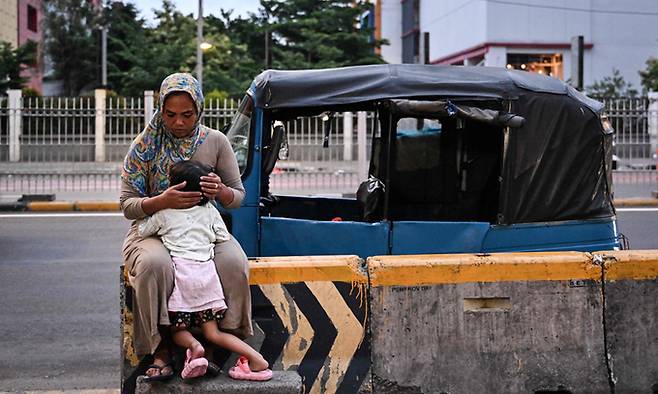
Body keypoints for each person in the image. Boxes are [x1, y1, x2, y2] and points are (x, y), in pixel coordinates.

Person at [121, 73, 252, 381]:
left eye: (187, 115)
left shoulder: (215, 141)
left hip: (203, 226)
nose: (178, 122)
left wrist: (219, 190)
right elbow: (128, 206)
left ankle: (219, 344)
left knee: (234, 262)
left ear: (199, 110)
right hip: (153, 227)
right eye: (170, 115)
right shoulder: (144, 147)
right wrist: (161, 201)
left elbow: (237, 198)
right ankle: (161, 349)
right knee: (154, 264)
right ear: (160, 110)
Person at [137, 160, 271, 380]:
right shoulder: (209, 211)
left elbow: (143, 230)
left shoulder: (165, 213)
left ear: (174, 187)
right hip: (208, 280)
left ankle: (194, 346)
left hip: (184, 281)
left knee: (178, 330)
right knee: (214, 332)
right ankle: (257, 359)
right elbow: (222, 236)